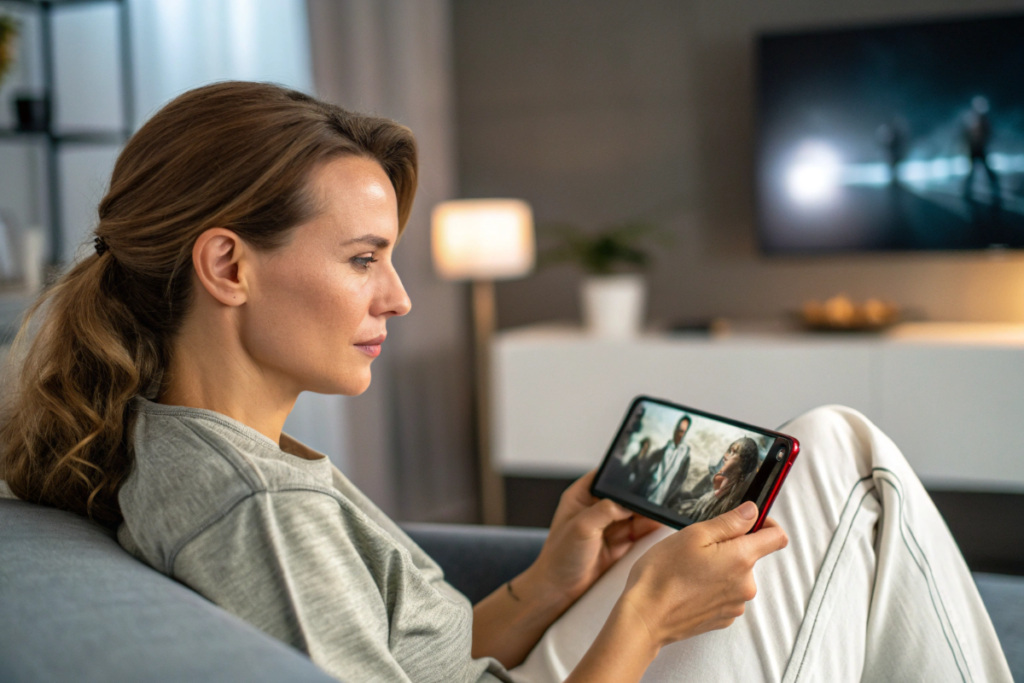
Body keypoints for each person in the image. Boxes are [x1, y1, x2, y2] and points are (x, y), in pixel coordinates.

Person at [0, 82, 1011, 683]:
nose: (396, 297)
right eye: (362, 259)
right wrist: (645, 612)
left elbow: (404, 658)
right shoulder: (252, 506)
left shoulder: (219, 451)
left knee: (835, 462)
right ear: (228, 266)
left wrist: (548, 581)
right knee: (848, 460)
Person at [668, 437, 759, 523]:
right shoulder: (713, 480)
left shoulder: (735, 501)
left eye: (734, 452)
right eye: (729, 450)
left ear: (742, 465)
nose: (725, 456)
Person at [633, 415, 692, 505]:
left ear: (685, 433)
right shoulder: (662, 451)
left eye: (682, 431)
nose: (679, 434)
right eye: (678, 429)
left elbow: (680, 481)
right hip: (647, 496)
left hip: (662, 502)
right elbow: (645, 473)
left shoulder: (685, 457)